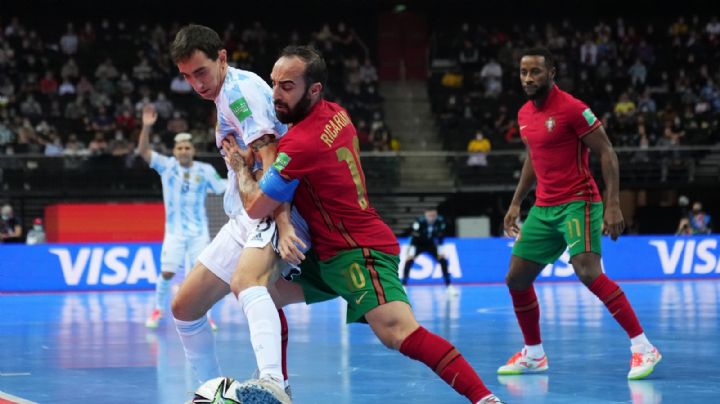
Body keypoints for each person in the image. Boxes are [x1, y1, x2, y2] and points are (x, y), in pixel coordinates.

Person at [223, 45, 503, 404]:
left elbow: (257, 206)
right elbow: (295, 181)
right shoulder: (337, 114)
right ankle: (279, 388)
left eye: (287, 86)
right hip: (325, 251)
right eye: (274, 84)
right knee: (262, 293)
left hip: (357, 250)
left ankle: (484, 398)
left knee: (397, 333)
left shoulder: (300, 143)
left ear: (314, 89)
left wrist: (242, 168)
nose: (276, 94)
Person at [498, 47, 661, 380]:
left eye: (535, 72)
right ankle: (534, 354)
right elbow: (534, 157)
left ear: (552, 73)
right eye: (523, 73)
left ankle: (643, 347)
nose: (528, 78)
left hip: (579, 201)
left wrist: (612, 203)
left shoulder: (573, 109)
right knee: (516, 278)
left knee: (587, 271)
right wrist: (517, 202)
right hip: (544, 207)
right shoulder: (524, 114)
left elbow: (607, 153)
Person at [168, 24, 311, 403]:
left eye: (201, 72)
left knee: (248, 284)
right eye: (186, 77)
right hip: (246, 214)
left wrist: (281, 222)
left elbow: (272, 158)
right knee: (185, 308)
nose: (196, 84)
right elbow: (252, 158)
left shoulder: (239, 93)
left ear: (222, 58)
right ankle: (211, 393)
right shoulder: (223, 95)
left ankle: (273, 386)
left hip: (269, 210)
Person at [137, 104, 226, 331]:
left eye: (187, 147)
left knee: (201, 276)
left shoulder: (205, 170)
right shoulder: (166, 167)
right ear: (175, 151)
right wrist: (146, 128)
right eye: (180, 148)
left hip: (199, 232)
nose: (184, 151)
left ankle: (205, 315)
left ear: (192, 150)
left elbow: (222, 187)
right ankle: (158, 310)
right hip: (175, 232)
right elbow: (143, 152)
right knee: (167, 272)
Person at [401, 208, 457, 295]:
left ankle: (449, 285)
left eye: (434, 215)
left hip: (431, 244)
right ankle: (403, 285)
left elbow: (441, 236)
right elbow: (413, 236)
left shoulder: (441, 221)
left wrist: (441, 250)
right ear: (426, 214)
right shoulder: (419, 222)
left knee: (443, 260)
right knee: (409, 260)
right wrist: (411, 250)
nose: (432, 218)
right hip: (418, 244)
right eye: (430, 216)